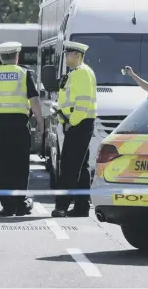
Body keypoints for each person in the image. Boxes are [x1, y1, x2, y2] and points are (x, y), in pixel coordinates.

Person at [0, 41, 44, 217]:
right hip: (18, 125)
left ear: (1, 57)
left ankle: (6, 206)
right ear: (17, 56)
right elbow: (34, 101)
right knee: (19, 166)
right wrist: (40, 122)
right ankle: (19, 205)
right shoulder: (24, 73)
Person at [52, 41, 97, 218]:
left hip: (78, 124)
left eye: (68, 54)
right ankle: (81, 206)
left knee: (69, 166)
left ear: (77, 55)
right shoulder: (77, 73)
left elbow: (83, 103)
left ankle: (61, 206)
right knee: (81, 167)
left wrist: (72, 122)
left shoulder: (82, 73)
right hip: (78, 123)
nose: (66, 56)